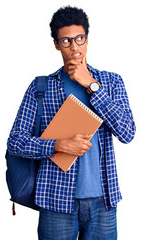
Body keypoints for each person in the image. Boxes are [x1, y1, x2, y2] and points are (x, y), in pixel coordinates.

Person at [7, 6, 136, 240]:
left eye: (79, 38)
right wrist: (57, 145)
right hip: (56, 201)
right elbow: (16, 142)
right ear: (56, 44)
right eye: (66, 41)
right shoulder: (40, 88)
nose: (74, 46)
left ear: (87, 38)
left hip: (103, 201)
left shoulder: (111, 82)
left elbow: (127, 132)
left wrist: (91, 85)